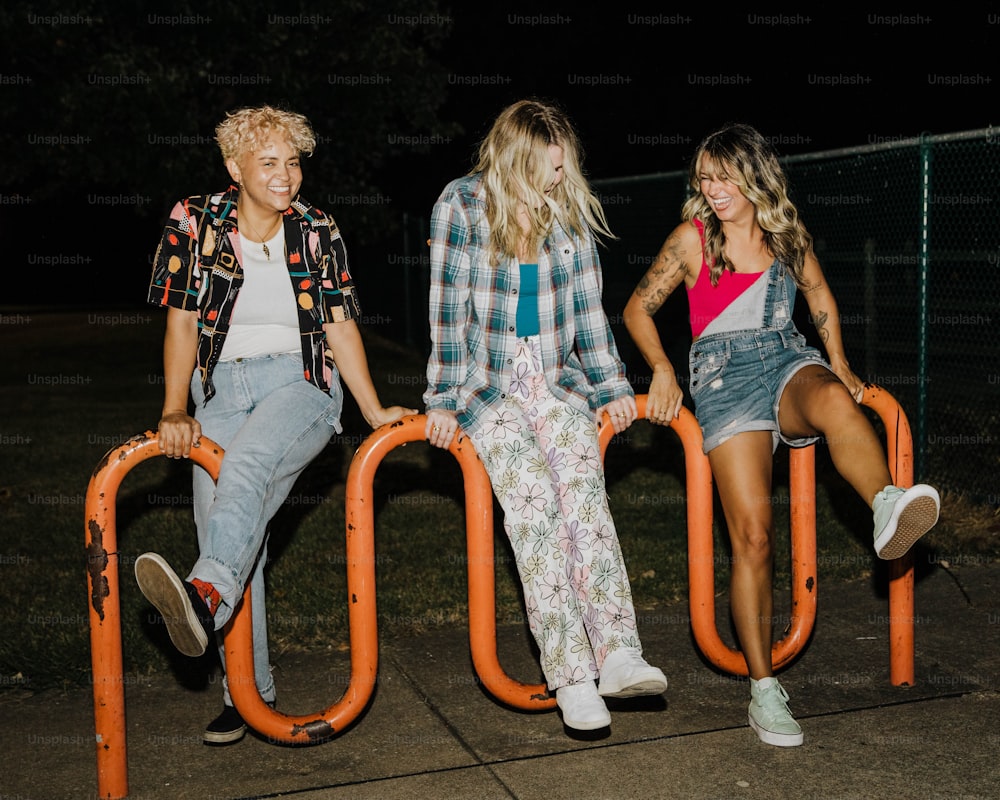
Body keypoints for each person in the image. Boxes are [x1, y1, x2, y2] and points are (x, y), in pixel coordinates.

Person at [623, 123, 940, 747]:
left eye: (725, 177)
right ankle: (764, 691)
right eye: (705, 179)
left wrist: (840, 359)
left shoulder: (785, 237)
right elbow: (636, 307)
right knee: (755, 537)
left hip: (786, 357)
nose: (713, 189)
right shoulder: (692, 242)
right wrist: (662, 367)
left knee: (833, 399)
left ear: (755, 174)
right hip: (723, 380)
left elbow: (818, 293)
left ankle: (884, 506)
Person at [135, 105, 414, 745]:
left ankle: (203, 598)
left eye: (293, 162)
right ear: (234, 167)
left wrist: (371, 409)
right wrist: (175, 407)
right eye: (269, 163)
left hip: (302, 383)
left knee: (246, 474)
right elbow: (180, 321)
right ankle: (248, 695)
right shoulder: (194, 220)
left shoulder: (316, 227)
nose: (286, 175)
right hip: (221, 391)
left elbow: (340, 323)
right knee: (230, 530)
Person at [423, 99, 667, 733]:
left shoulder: (564, 212)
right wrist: (445, 399)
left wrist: (612, 384)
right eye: (543, 169)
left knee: (584, 500)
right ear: (510, 159)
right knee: (533, 509)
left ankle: (617, 652)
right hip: (489, 389)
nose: (554, 181)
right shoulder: (461, 204)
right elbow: (447, 311)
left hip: (558, 382)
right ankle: (570, 675)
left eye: (561, 168)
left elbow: (589, 309)